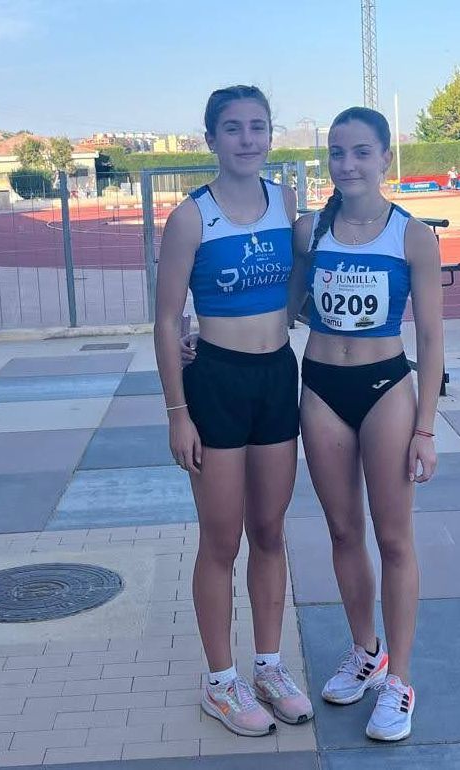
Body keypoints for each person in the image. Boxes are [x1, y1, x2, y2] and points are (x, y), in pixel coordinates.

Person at [153, 85, 313, 738]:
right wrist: (177, 412)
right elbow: (166, 320)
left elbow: (301, 277)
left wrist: (294, 311)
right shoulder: (190, 218)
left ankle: (268, 667)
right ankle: (220, 683)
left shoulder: (286, 202)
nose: (247, 139)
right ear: (211, 138)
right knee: (222, 539)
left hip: (276, 376)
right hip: (215, 382)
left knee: (270, 531)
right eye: (233, 128)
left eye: (258, 127)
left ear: (270, 135)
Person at [290, 107, 444, 741]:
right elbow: (283, 308)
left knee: (394, 537)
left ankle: (400, 679)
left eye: (360, 152)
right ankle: (367, 650)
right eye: (337, 152)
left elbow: (431, 338)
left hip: (386, 389)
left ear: (385, 158)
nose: (347, 164)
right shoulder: (309, 231)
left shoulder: (413, 236)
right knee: (343, 530)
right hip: (322, 387)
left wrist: (425, 428)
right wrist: (205, 340)